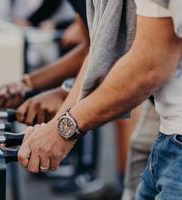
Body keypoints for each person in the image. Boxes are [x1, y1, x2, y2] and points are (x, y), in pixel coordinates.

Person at [17, 0, 182, 199]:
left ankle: (97, 177)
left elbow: (150, 65)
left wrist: (64, 129)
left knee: (126, 126)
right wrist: (57, 124)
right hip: (168, 130)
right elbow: (100, 51)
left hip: (174, 136)